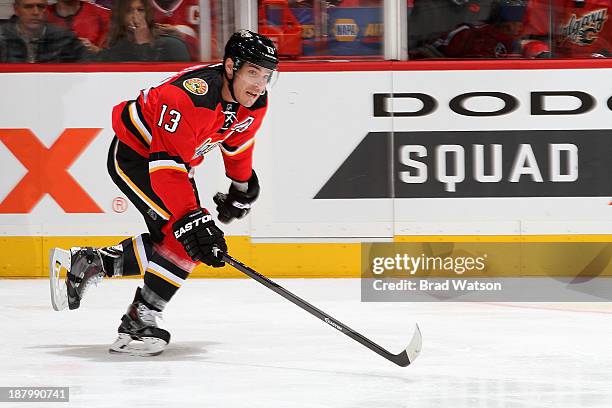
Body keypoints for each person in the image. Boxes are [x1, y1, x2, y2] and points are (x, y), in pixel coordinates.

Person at [50, 29, 278, 357]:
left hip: (171, 162)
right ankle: (138, 320)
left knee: (181, 239)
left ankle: (89, 264)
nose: (259, 84)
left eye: (266, 74)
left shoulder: (254, 102)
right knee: (187, 236)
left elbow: (236, 143)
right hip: (137, 155)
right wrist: (192, 218)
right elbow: (165, 169)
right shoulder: (191, 98)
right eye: (252, 72)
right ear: (230, 67)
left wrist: (241, 186)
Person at [94, 0, 190, 62]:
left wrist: (143, 41)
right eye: (129, 11)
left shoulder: (172, 46)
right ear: (121, 16)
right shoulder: (113, 51)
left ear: (148, 13)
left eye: (140, 10)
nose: (136, 16)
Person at [0, 0, 87, 62]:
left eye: (41, 7)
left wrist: (98, 51)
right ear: (16, 10)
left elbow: (90, 63)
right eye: (28, 7)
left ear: (46, 10)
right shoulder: (2, 37)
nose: (36, 12)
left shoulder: (65, 38)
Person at [46, 0, 111, 53]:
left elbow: (112, 55)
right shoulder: (41, 13)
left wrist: (94, 50)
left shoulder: (105, 15)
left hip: (90, 65)